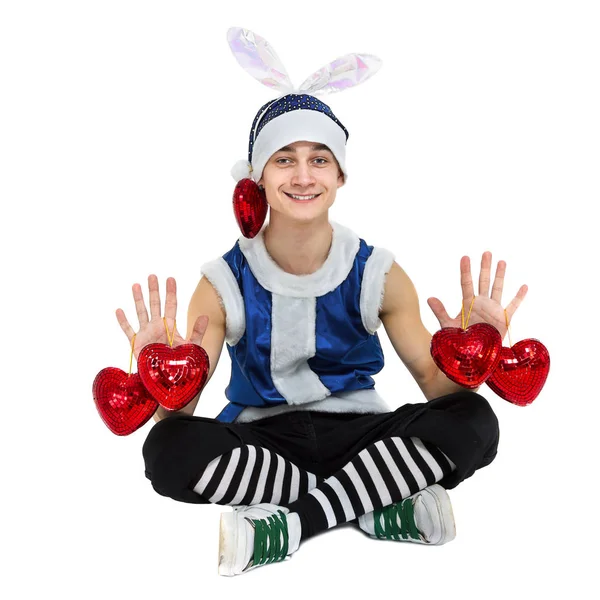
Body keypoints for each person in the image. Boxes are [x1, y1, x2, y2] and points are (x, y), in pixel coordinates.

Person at [115, 33, 527, 577]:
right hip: (265, 444)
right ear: (258, 175)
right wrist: (155, 374)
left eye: (318, 159)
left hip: (363, 435)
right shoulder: (221, 282)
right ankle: (373, 503)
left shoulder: (378, 271)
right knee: (166, 450)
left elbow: (436, 388)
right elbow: (181, 415)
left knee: (475, 420)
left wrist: (478, 354)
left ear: (340, 177)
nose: (302, 175)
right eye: (284, 159)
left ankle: (292, 524)